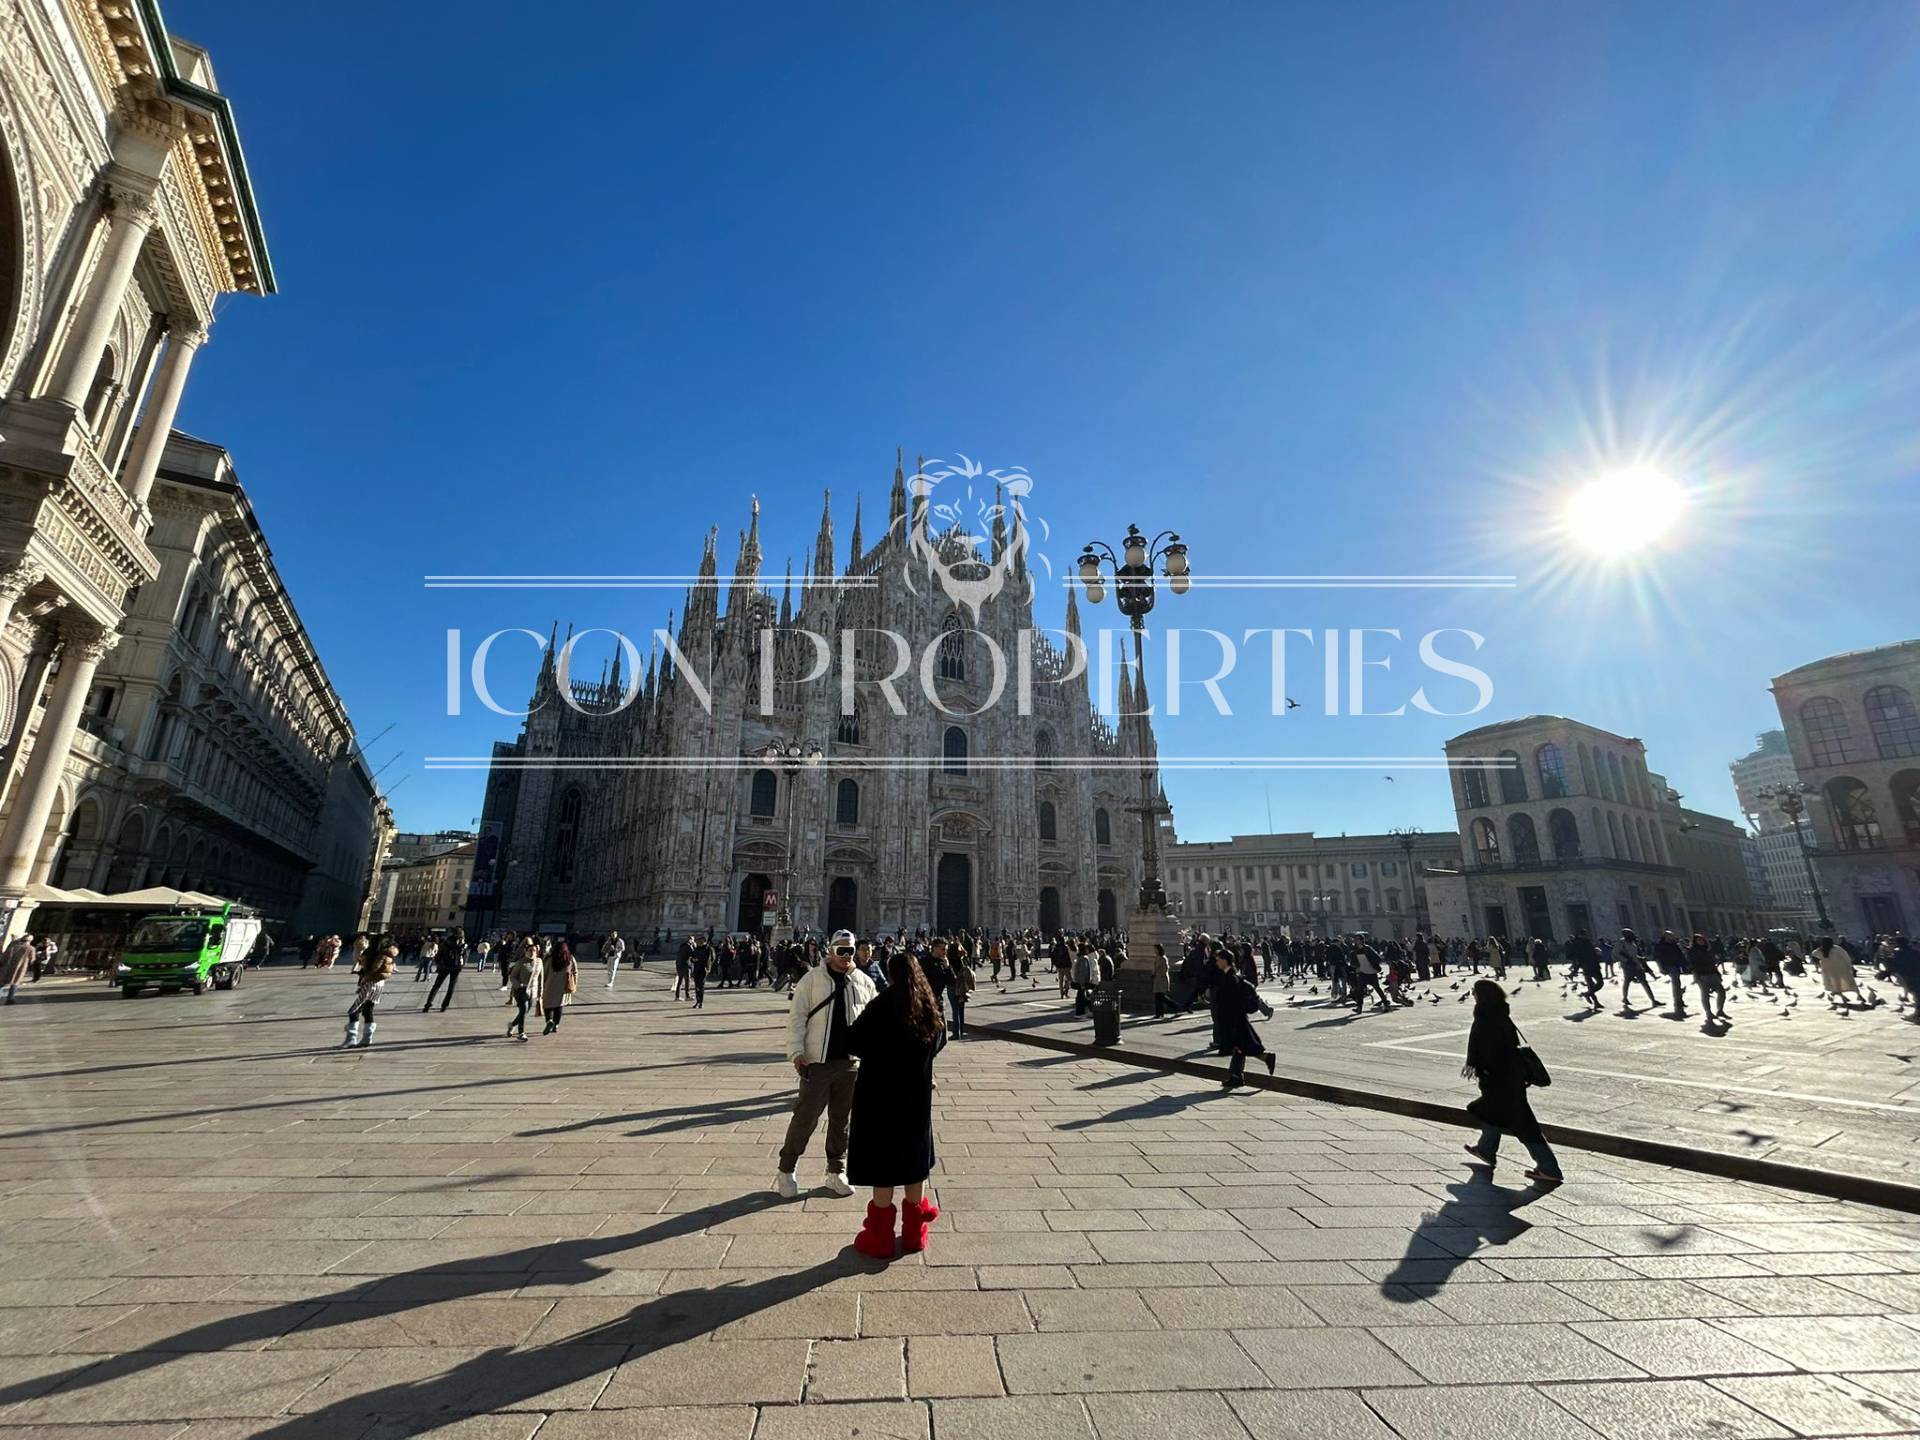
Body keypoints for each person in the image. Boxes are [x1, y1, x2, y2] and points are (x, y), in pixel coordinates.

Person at [845, 947, 948, 1258]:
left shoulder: (882, 1005)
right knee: (914, 1166)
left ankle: (879, 1236)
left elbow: (855, 1042)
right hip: (915, 1100)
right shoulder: (927, 1007)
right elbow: (939, 1040)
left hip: (881, 1099)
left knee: (884, 1167)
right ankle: (915, 1233)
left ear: (890, 975)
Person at [774, 929, 875, 1200]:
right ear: (830, 951)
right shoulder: (812, 980)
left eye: (850, 951)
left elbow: (875, 1022)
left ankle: (835, 1171)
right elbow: (797, 1018)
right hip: (818, 1062)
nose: (846, 956)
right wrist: (796, 1052)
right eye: (841, 950)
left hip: (850, 1063)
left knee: (842, 1121)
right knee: (805, 1118)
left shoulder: (864, 981)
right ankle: (786, 1169)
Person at [1460, 979, 1562, 1184]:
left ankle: (1549, 1167)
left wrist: (1485, 1070)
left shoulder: (1485, 1017)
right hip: (1510, 1077)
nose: (1472, 995)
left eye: (1475, 992)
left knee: (1523, 1125)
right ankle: (1486, 1150)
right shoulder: (1500, 1013)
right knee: (1494, 1114)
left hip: (1499, 1079)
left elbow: (1488, 1050)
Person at [1212, 949, 1277, 1089]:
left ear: (1224, 960)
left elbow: (1232, 1001)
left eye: (1218, 960)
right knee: (1240, 1047)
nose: (1216, 962)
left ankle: (1262, 1061)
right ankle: (1237, 1076)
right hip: (1236, 1019)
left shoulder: (1231, 978)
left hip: (1235, 1020)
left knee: (1241, 1047)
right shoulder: (1229, 976)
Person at [344, 943, 398, 1049]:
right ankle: (366, 1039)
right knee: (367, 1010)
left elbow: (373, 970)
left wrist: (365, 978)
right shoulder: (388, 956)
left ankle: (351, 1039)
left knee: (354, 1011)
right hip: (379, 985)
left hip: (370, 984)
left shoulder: (377, 957)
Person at [1689, 933, 1730, 1023]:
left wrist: (1718, 973)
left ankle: (1720, 1010)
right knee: (1705, 994)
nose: (1701, 941)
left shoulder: (1708, 950)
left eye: (1702, 940)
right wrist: (1696, 976)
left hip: (1712, 973)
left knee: (1721, 992)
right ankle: (1708, 1012)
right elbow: (1692, 965)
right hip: (1702, 975)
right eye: (1699, 940)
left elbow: (1713, 963)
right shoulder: (1692, 951)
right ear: (1695, 942)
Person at [423, 931, 466, 1013]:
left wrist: (439, 963)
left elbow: (438, 955)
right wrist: (461, 966)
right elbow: (464, 958)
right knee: (451, 987)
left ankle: (428, 1004)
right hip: (455, 968)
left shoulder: (445, 943)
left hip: (444, 966)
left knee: (436, 986)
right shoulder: (462, 945)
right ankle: (444, 1006)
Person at [1616, 929, 1657, 1011]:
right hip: (1628, 967)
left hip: (1637, 965)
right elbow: (1616, 954)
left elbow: (1633, 955)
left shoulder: (1632, 942)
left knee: (1644, 982)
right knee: (1627, 982)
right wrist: (1627, 960)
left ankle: (1653, 1000)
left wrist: (1640, 958)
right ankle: (1625, 998)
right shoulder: (1621, 943)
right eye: (1630, 934)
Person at [541, 942, 578, 1033]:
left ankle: (549, 1020)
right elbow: (575, 972)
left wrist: (542, 984)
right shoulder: (570, 959)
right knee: (559, 1006)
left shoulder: (550, 959)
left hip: (550, 986)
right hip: (563, 987)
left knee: (547, 1005)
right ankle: (556, 1025)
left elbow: (544, 973)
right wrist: (575, 984)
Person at [1814, 934, 1859, 1006]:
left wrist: (1820, 948)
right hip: (1840, 968)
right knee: (1849, 982)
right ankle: (1858, 995)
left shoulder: (1822, 950)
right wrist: (1849, 966)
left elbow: (1814, 953)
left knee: (1836, 984)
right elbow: (1846, 957)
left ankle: (1842, 997)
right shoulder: (1837, 948)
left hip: (1829, 970)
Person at [504, 944, 534, 1041]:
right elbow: (512, 976)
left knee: (524, 1012)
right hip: (521, 990)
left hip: (532, 991)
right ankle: (521, 1032)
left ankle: (512, 1025)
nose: (532, 952)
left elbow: (541, 977)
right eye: (530, 950)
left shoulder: (538, 962)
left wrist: (541, 990)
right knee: (524, 1009)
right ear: (526, 951)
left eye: (534, 950)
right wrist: (518, 985)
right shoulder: (521, 963)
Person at [947, 950, 975, 1038]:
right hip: (962, 987)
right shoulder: (962, 961)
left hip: (953, 986)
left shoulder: (949, 960)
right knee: (961, 1009)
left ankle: (956, 1032)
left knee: (955, 1010)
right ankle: (961, 1030)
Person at [3, 931, 33, 1004]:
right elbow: (32, 959)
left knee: (2, 981)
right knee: (15, 982)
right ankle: (10, 999)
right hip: (20, 968)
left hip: (8, 966)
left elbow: (5, 954)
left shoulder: (12, 945)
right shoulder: (30, 948)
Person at [1151, 943, 1176, 1018]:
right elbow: (1155, 967)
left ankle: (1161, 1012)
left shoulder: (1163, 958)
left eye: (1155, 949)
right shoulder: (1157, 957)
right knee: (1158, 997)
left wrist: (1160, 974)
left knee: (1161, 997)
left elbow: (1165, 968)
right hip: (1157, 979)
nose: (1154, 950)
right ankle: (1159, 1013)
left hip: (1162, 979)